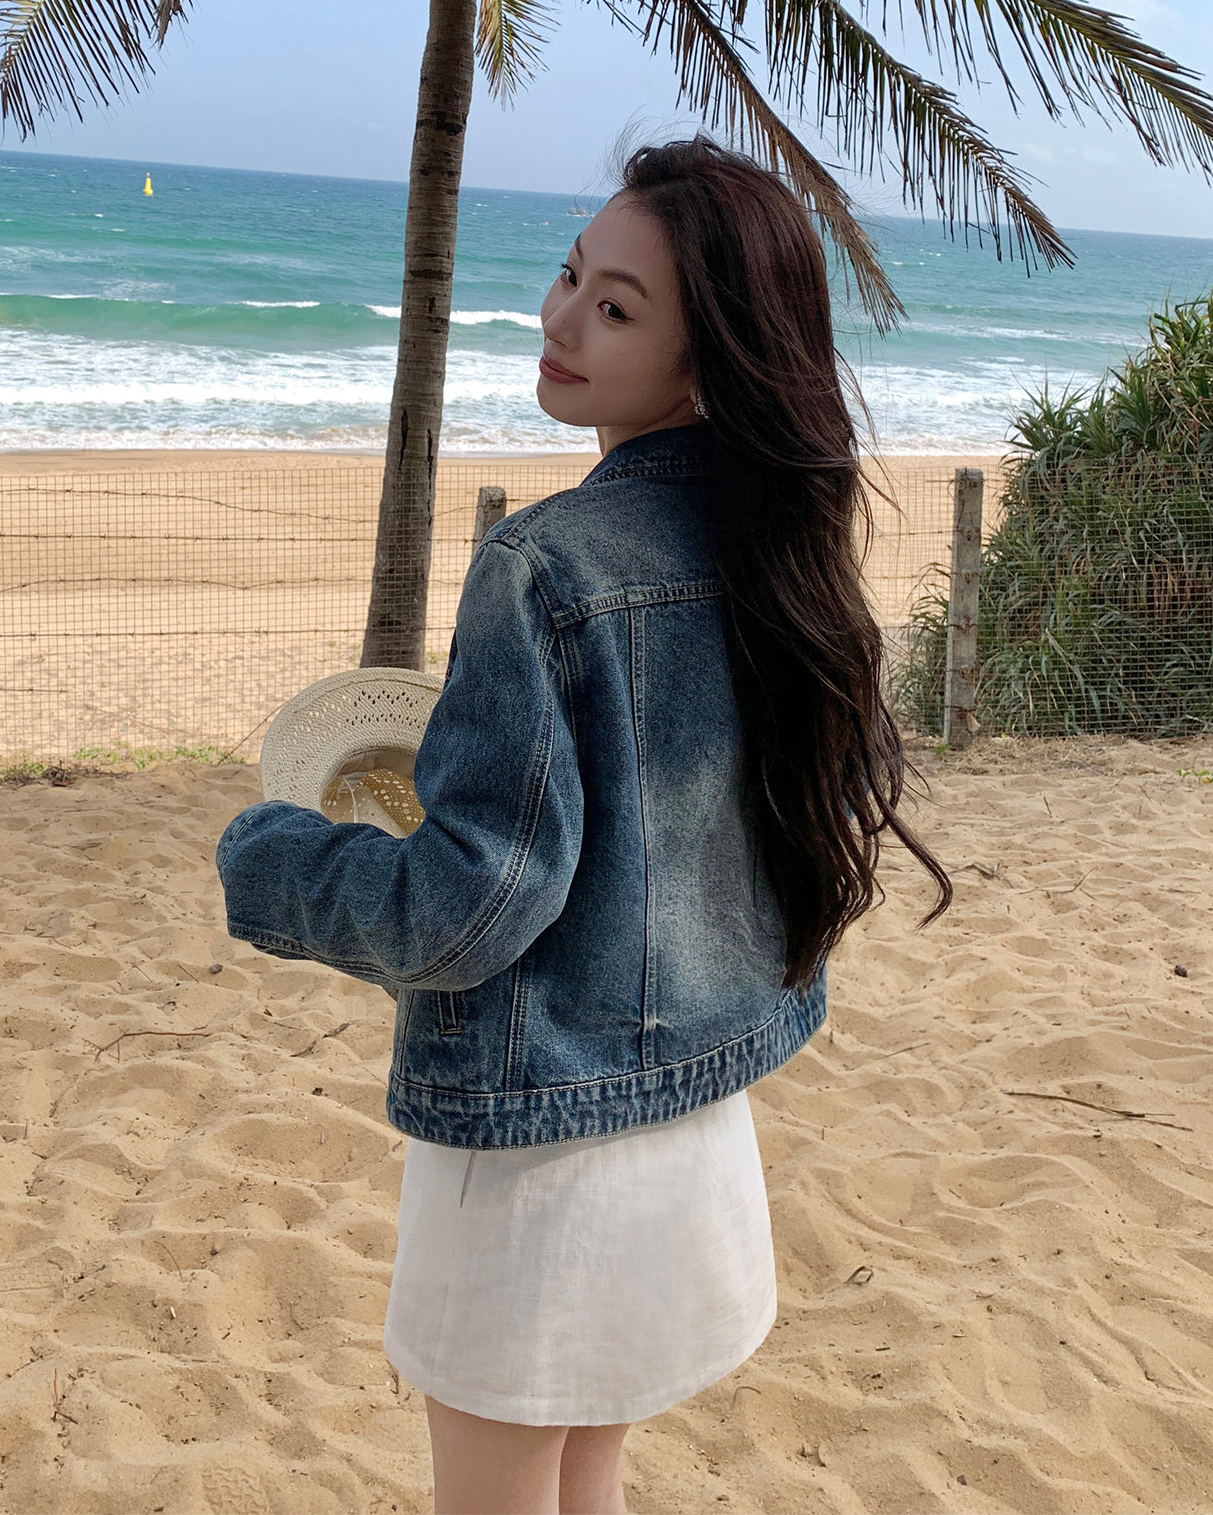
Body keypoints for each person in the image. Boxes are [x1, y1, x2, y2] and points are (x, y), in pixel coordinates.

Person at [216, 136, 952, 1514]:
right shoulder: (779, 551)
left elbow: (467, 907)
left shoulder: (544, 567)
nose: (559, 320)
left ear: (710, 358)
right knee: (589, 1475)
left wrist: (271, 859)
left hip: (536, 1146)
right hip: (692, 1126)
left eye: (616, 307)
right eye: (570, 275)